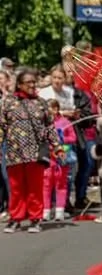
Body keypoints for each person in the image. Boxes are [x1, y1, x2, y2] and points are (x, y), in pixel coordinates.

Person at [0, 70, 61, 232]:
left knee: (35, 187)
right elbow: (1, 127)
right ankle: (16, 218)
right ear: (19, 85)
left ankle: (35, 218)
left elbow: (49, 127)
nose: (33, 85)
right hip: (14, 153)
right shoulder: (8, 103)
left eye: (34, 82)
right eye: (29, 82)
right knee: (16, 188)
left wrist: (57, 147)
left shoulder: (42, 103)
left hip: (35, 153)